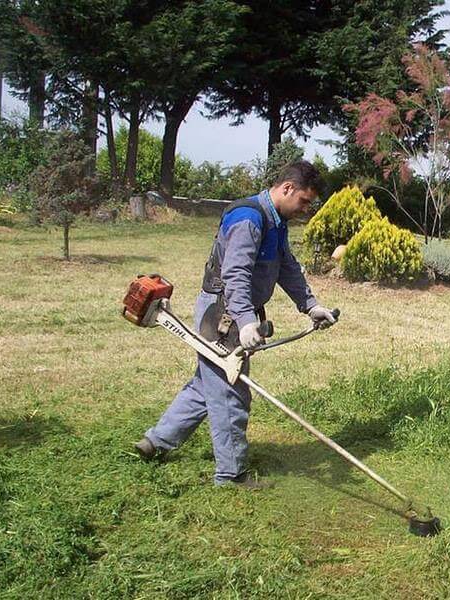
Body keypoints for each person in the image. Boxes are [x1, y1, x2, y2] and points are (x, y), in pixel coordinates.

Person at [134, 161, 336, 489]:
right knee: (231, 390)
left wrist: (310, 306)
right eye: (304, 201)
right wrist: (245, 322)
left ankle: (156, 441)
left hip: (234, 313)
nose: (306, 209)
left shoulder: (276, 221)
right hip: (223, 315)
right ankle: (231, 474)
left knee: (207, 384)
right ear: (287, 188)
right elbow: (235, 274)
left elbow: (286, 266)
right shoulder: (249, 219)